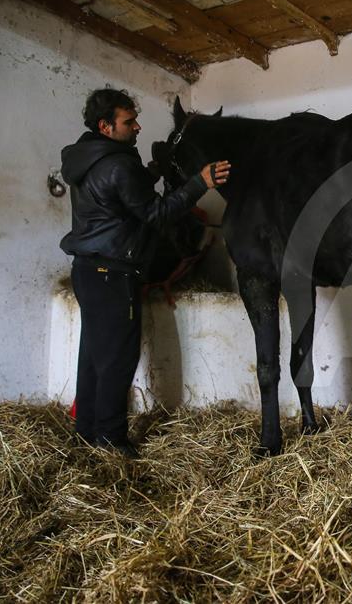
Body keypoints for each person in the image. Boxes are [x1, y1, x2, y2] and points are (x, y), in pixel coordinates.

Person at [59, 88, 229, 458]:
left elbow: (116, 196)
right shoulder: (119, 166)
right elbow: (156, 214)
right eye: (129, 121)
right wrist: (200, 183)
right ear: (105, 126)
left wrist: (149, 174)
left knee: (93, 357)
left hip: (87, 270)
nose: (137, 127)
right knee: (118, 360)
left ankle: (86, 431)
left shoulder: (87, 156)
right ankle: (112, 440)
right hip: (114, 273)